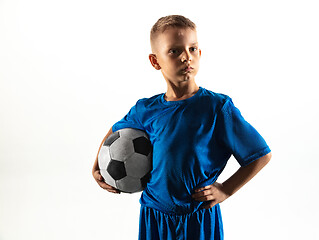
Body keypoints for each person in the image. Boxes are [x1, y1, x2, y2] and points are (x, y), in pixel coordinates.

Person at [92, 15, 272, 240]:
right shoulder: (145, 110)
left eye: (193, 48)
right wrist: (97, 166)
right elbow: (116, 132)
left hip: (198, 215)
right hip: (154, 215)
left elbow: (260, 155)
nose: (187, 56)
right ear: (155, 61)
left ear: (200, 53)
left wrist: (226, 189)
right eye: (174, 51)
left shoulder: (217, 108)